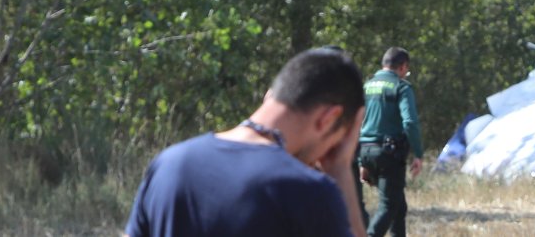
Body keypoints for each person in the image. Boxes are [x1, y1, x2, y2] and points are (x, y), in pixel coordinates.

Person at [125, 47, 368, 237]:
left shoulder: (170, 162)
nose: (324, 157)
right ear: (328, 119)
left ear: (270, 96)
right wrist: (339, 171)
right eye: (334, 144)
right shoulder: (309, 192)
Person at [358, 47, 424, 237]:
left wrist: (362, 161)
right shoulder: (401, 87)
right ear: (403, 67)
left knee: (398, 207)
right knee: (389, 206)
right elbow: (410, 122)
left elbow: (358, 121)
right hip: (388, 153)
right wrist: (418, 154)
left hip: (366, 150)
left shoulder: (367, 86)